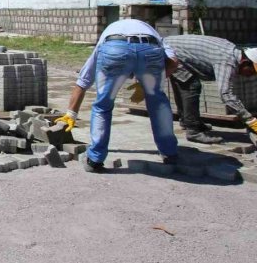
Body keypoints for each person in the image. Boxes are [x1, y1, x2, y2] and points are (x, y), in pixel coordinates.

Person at [55, 18, 179, 172]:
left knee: (103, 105)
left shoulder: (105, 39)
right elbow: (173, 62)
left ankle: (95, 159)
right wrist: (150, 85)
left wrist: (71, 113)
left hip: (115, 48)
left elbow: (84, 80)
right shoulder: (158, 38)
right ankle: (170, 154)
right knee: (158, 104)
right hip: (150, 49)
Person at [163, 35, 257, 145]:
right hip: (172, 51)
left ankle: (188, 121)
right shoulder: (227, 61)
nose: (250, 76)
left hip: (173, 47)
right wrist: (251, 121)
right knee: (191, 86)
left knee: (185, 84)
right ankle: (193, 131)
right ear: (245, 63)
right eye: (252, 71)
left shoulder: (233, 53)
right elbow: (226, 94)